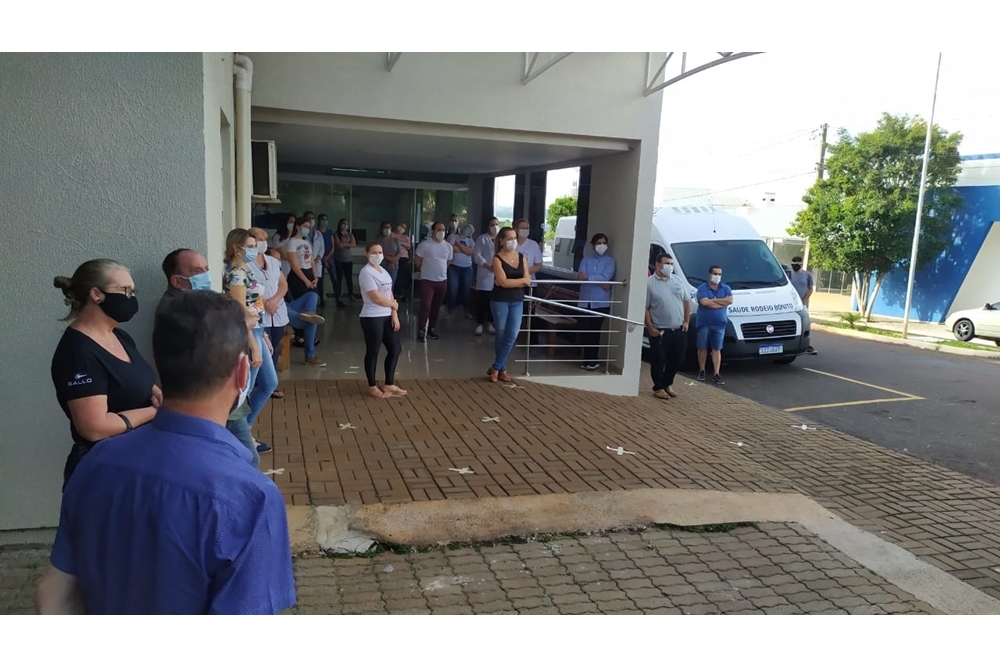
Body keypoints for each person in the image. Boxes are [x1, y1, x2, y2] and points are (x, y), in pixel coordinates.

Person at [35, 290, 297, 615]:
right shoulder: (252, 497)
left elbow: (54, 594)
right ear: (243, 372)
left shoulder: (94, 463)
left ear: (158, 366)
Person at [50, 260, 159, 488]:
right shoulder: (78, 352)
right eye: (125, 290)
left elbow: (137, 381)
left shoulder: (120, 337)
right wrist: (154, 411)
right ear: (96, 294)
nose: (131, 297)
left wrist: (158, 394)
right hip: (105, 472)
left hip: (137, 462)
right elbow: (94, 427)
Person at [158, 248, 261, 466]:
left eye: (206, 269)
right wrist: (244, 324)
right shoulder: (174, 309)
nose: (205, 275)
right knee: (248, 461)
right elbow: (210, 336)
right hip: (211, 400)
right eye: (197, 271)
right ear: (177, 281)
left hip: (227, 403)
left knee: (248, 458)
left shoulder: (195, 301)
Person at [222, 229, 277, 451]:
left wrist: (262, 335)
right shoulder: (235, 273)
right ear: (237, 248)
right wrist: (254, 344)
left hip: (257, 330)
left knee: (269, 383)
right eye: (251, 246)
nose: (255, 250)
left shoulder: (246, 269)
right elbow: (241, 311)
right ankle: (240, 436)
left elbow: (255, 306)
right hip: (247, 334)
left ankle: (244, 430)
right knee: (246, 389)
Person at [247, 227, 326, 371]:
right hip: (261, 312)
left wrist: (274, 300)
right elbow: (246, 290)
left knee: (312, 296)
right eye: (259, 240)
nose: (263, 243)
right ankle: (264, 382)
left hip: (278, 307)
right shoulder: (245, 265)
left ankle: (308, 314)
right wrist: (266, 303)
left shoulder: (272, 261)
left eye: (264, 240)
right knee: (264, 349)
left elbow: (283, 284)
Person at [358, 241, 407, 400]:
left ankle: (389, 383)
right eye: (374, 252)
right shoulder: (366, 273)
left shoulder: (384, 271)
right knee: (373, 351)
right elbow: (376, 297)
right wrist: (393, 304)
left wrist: (394, 313)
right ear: (367, 254)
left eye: (380, 252)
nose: (377, 255)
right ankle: (372, 386)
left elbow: (389, 293)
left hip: (386, 315)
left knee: (395, 348)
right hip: (372, 317)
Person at [645, 253, 693, 400]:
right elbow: (645, 308)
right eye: (667, 263)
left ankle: (667, 383)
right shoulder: (649, 283)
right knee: (659, 359)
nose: (670, 267)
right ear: (658, 264)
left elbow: (686, 301)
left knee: (678, 358)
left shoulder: (677, 281)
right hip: (660, 330)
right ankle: (658, 387)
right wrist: (650, 328)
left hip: (678, 329)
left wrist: (686, 321)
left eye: (671, 264)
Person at [489, 226, 531, 383]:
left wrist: (512, 282)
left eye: (515, 238)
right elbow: (502, 282)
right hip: (500, 300)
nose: (514, 241)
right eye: (510, 238)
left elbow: (527, 279)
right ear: (502, 241)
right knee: (501, 333)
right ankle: (502, 369)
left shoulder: (522, 258)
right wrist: (519, 282)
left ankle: (495, 366)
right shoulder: (497, 258)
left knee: (512, 334)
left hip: (517, 300)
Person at [576, 233, 617, 371]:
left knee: (595, 331)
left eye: (604, 242)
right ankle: (589, 358)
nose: (601, 245)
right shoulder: (586, 260)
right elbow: (580, 276)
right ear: (593, 245)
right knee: (583, 330)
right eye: (598, 243)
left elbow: (606, 278)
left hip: (601, 303)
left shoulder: (610, 261)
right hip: (584, 301)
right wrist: (598, 280)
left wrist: (588, 277)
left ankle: (592, 360)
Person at [414, 221, 453, 342]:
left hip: (442, 281)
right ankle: (421, 330)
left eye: (443, 229)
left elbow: (448, 261)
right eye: (439, 229)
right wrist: (424, 270)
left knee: (436, 307)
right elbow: (417, 260)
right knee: (425, 305)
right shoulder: (425, 245)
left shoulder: (448, 246)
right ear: (433, 231)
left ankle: (432, 329)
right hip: (427, 280)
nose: (441, 232)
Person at [695, 264, 733, 385]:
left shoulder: (725, 288)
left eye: (719, 274)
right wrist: (721, 302)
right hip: (704, 323)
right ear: (709, 274)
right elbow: (704, 302)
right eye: (715, 273)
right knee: (702, 347)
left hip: (720, 324)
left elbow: (730, 301)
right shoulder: (702, 288)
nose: (717, 276)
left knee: (717, 348)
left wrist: (713, 300)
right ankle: (702, 370)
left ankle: (716, 373)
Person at [513, 218, 544, 345]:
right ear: (516, 229)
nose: (525, 230)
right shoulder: (511, 243)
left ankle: (533, 341)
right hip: (512, 284)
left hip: (529, 284)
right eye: (522, 228)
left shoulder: (533, 245)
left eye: (527, 228)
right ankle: (512, 338)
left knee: (530, 312)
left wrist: (526, 272)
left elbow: (538, 265)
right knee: (514, 311)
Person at [473, 217, 499, 336]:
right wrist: (487, 265)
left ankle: (490, 323)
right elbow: (477, 255)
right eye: (492, 224)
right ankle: (479, 323)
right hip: (485, 272)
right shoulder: (482, 238)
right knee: (483, 300)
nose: (494, 226)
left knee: (493, 301)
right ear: (488, 226)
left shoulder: (501, 239)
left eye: (497, 224)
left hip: (498, 274)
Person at [790, 255, 818, 355]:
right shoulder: (788, 274)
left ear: (801, 264)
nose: (795, 266)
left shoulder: (807, 275)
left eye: (797, 264)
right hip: (790, 305)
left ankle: (807, 345)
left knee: (805, 324)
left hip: (802, 304)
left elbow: (811, 289)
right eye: (793, 264)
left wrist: (804, 300)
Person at [446, 223, 476, 318]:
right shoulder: (452, 237)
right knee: (452, 290)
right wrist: (465, 250)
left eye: (470, 230)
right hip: (454, 267)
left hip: (467, 268)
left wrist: (458, 245)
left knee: (466, 290)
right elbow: (451, 249)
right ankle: (450, 310)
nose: (468, 230)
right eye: (467, 228)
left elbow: (471, 252)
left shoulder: (471, 241)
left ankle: (465, 310)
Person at [333, 218, 357, 307]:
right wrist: (347, 245)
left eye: (347, 224)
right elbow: (338, 245)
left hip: (348, 260)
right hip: (338, 260)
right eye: (343, 223)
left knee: (349, 278)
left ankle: (351, 294)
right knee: (339, 278)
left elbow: (354, 244)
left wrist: (344, 244)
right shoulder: (336, 234)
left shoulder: (350, 234)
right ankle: (338, 296)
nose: (345, 225)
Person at [378, 221, 403, 289]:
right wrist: (389, 259)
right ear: (381, 229)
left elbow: (399, 252)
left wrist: (393, 261)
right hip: (382, 266)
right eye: (385, 228)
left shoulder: (395, 240)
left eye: (388, 227)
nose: (387, 229)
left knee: (391, 285)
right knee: (382, 285)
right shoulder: (378, 241)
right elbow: (379, 252)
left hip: (393, 267)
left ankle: (390, 299)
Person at [393, 221, 412, 301]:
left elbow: (409, 246)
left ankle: (401, 293)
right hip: (394, 256)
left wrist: (399, 242)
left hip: (404, 257)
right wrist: (402, 244)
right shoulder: (392, 235)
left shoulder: (405, 237)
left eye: (404, 228)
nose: (402, 229)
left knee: (402, 275)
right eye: (401, 226)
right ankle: (395, 292)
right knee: (396, 274)